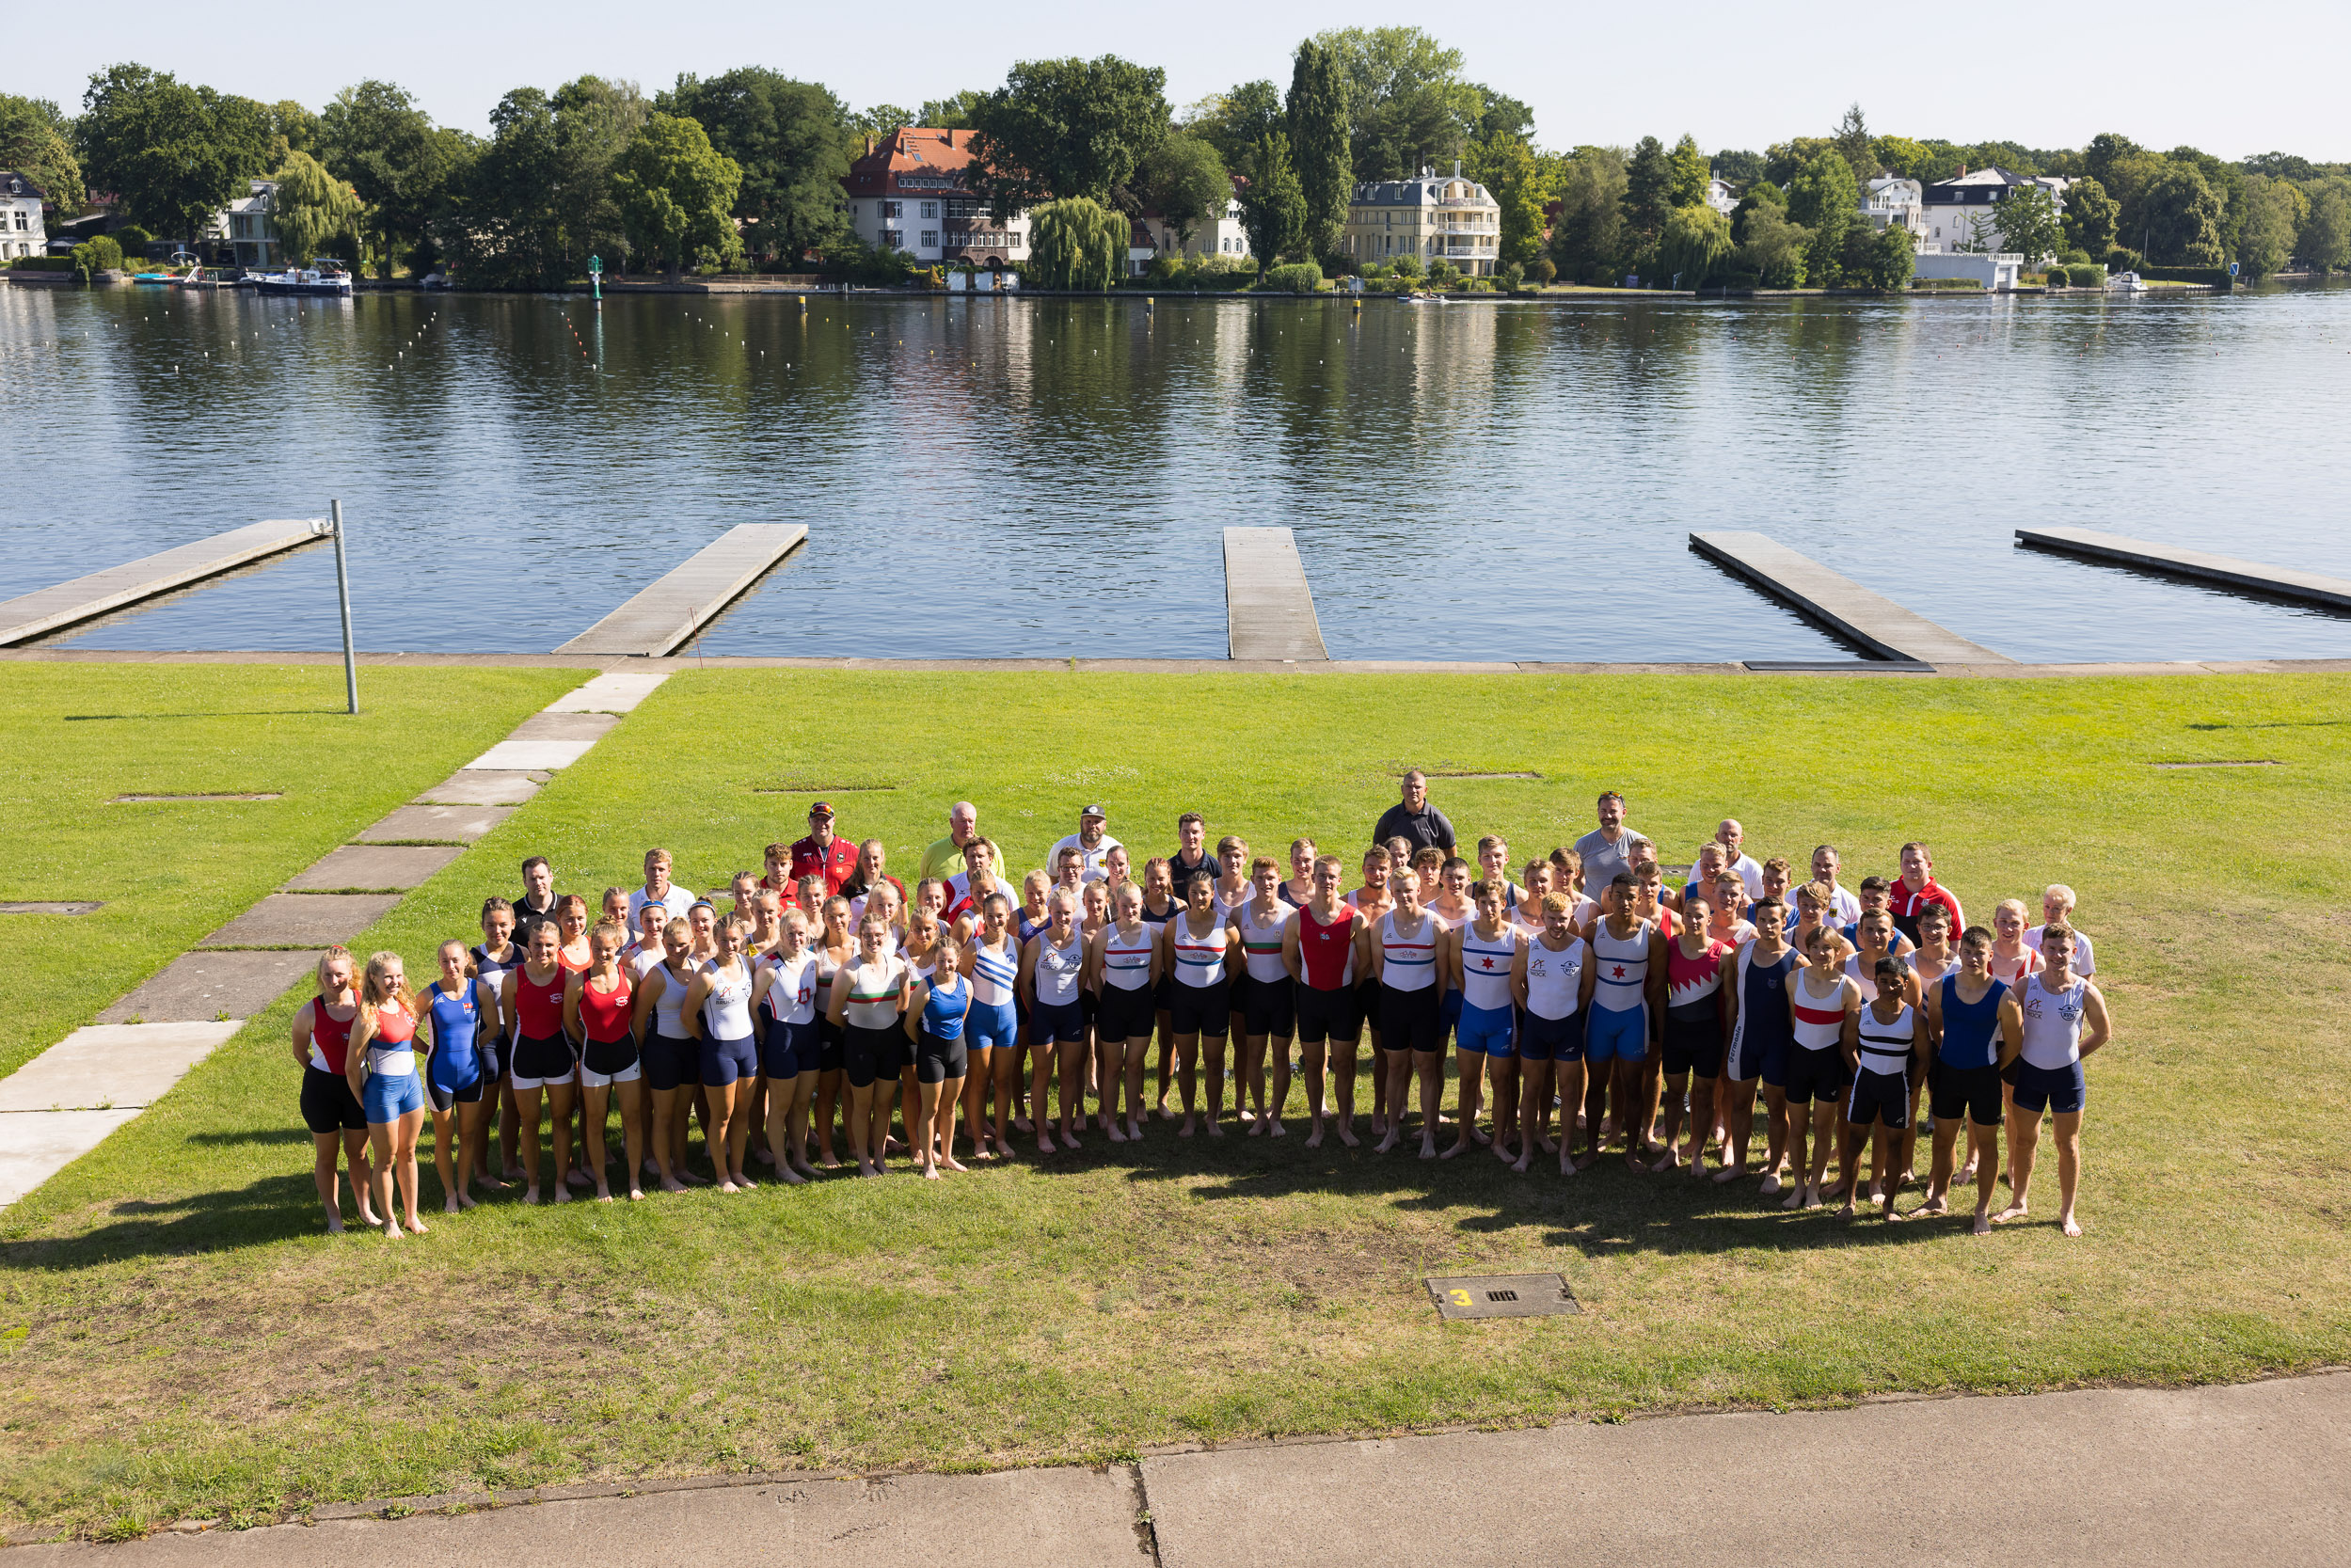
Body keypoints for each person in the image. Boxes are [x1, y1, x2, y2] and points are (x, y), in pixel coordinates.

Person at [1995, 926, 2109, 1237]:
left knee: (2067, 1143)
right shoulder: (2026, 985)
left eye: (2064, 950)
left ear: (2074, 953)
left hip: (2066, 1079)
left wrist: (2073, 1058)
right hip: (2029, 1074)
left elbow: (2103, 1033)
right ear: (2041, 950)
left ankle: (2067, 1211)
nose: (2057, 955)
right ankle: (2019, 1201)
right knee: (2023, 1139)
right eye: (2052, 949)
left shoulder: (2084, 991)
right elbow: (2002, 1020)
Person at [1917, 926, 2023, 1233]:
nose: (1973, 958)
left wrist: (1989, 1067)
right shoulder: (1940, 988)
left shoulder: (2004, 997)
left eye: (1980, 953)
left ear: (1990, 955)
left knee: (1987, 1145)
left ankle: (1981, 1210)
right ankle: (1938, 1198)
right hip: (1949, 1072)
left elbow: (2014, 1044)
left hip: (1984, 1078)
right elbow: (1935, 1028)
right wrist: (1950, 1053)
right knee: (1942, 1139)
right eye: (1967, 952)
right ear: (1959, 953)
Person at [291, 947, 377, 1234]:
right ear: (320, 975)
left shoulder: (365, 1004)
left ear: (351, 973)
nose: (334, 980)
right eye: (327, 974)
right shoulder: (308, 1013)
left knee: (359, 1154)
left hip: (357, 1088)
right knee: (327, 1157)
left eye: (339, 973)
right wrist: (322, 1079)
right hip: (321, 1090)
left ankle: (365, 1210)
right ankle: (334, 1216)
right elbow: (301, 1053)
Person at [1718, 896, 1799, 1192]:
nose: (1767, 926)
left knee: (1777, 1109)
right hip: (1744, 1039)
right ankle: (1739, 1165)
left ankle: (1775, 1169)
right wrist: (1728, 1039)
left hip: (1778, 1044)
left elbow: (1796, 1016)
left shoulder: (1795, 961)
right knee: (1740, 1104)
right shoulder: (1742, 951)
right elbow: (1734, 1000)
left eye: (1773, 920)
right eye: (1762, 920)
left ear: (1783, 922)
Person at [344, 951, 428, 1240]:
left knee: (409, 1152)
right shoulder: (368, 1017)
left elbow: (408, 1037)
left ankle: (411, 1216)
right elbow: (351, 1066)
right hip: (382, 1093)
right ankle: (390, 1219)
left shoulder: (404, 1004)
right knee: (387, 1158)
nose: (394, 981)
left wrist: (431, 1051)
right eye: (387, 977)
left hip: (411, 1087)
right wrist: (362, 1099)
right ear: (373, 978)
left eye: (398, 975)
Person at [1585, 873, 1664, 1171]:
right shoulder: (1594, 929)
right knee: (1596, 1086)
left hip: (1633, 1017)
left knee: (1633, 1087)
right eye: (1619, 895)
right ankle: (1592, 1149)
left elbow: (1658, 984)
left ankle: (1631, 1152)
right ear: (1610, 896)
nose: (1625, 902)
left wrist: (1650, 1016)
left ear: (1640, 897)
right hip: (1599, 1017)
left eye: (1631, 896)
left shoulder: (1652, 935)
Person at [1284, 853, 1362, 1149]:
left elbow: (1364, 961)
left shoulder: (1354, 917)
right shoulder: (1298, 917)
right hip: (1310, 999)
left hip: (1342, 999)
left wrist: (1345, 987)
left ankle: (1344, 1124)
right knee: (1314, 1063)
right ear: (1313, 879)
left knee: (1343, 1063)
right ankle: (1316, 1125)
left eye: (1332, 876)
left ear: (1340, 880)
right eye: (1321, 876)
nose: (1326, 881)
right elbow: (1288, 958)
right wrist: (1305, 982)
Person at [564, 920, 643, 1203]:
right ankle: (601, 1183)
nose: (602, 954)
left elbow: (638, 1015)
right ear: (591, 947)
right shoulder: (578, 982)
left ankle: (634, 1180)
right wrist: (587, 1039)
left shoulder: (631, 977)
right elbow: (569, 1021)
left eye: (607, 949)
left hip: (626, 1055)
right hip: (594, 1058)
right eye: (596, 948)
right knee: (595, 1122)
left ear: (617, 947)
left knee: (632, 1120)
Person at [1368, 868, 1445, 1159]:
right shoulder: (1380, 925)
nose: (1403, 896)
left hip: (1424, 1002)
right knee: (1395, 1067)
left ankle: (1428, 1134)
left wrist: (1429, 1002)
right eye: (1397, 890)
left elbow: (1442, 971)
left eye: (1408, 890)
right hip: (1393, 1003)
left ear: (1419, 891)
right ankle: (1392, 1132)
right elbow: (1379, 968)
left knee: (1426, 1067)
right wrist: (1393, 993)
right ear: (1391, 891)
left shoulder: (1435, 925)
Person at [1511, 892, 1590, 1175]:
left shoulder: (1581, 949)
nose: (1557, 925)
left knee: (1568, 1093)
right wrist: (1530, 1009)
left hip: (1567, 1027)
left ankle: (1565, 1154)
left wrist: (1569, 1012)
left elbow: (1586, 990)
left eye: (1563, 919)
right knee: (1531, 1089)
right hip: (1535, 1026)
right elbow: (1516, 983)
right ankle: (1526, 1151)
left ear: (1571, 918)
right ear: (1542, 917)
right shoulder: (1529, 946)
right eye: (1552, 919)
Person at [1839, 956, 1923, 1222]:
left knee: (1895, 1146)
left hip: (1897, 1089)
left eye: (1895, 983)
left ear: (1906, 984)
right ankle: (1850, 1202)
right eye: (1883, 982)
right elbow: (1847, 1048)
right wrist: (1860, 1073)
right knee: (1855, 1142)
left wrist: (1912, 1086)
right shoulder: (1859, 1015)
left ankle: (1889, 1206)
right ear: (1875, 983)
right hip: (1866, 1086)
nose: (1888, 987)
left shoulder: (1914, 1019)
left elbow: (1924, 1058)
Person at [828, 911, 909, 1177]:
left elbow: (903, 1004)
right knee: (862, 1105)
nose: (873, 940)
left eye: (878, 935)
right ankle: (863, 1160)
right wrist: (856, 1030)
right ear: (859, 936)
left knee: (884, 1104)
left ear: (886, 936)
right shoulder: (850, 971)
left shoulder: (898, 967)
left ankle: (879, 1158)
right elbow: (833, 1014)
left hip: (890, 1041)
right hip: (860, 1043)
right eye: (867, 935)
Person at [501, 920, 578, 1205]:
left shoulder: (569, 977)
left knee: (561, 1120)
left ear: (558, 946)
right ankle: (533, 1185)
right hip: (526, 1055)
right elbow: (510, 1025)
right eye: (537, 944)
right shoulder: (513, 979)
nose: (542, 950)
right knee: (530, 1122)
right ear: (529, 946)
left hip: (558, 1054)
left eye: (548, 945)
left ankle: (560, 1183)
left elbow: (571, 1021)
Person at [1782, 925, 1858, 1211]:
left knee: (1823, 1128)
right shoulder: (1793, 980)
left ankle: (1814, 1187)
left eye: (1826, 948)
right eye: (1814, 947)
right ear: (1807, 949)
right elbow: (1794, 1021)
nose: (1820, 953)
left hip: (1829, 1064)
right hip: (1800, 1061)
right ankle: (1798, 1187)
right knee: (1797, 1128)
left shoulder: (1848, 988)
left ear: (1836, 951)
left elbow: (1849, 1036)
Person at [681, 916, 759, 1193]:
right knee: (722, 1115)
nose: (729, 944)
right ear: (715, 940)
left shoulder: (748, 963)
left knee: (742, 1113)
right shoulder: (707, 975)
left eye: (734, 939)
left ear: (742, 939)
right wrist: (709, 1041)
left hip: (747, 1048)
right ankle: (722, 1175)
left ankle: (737, 1171)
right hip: (720, 1051)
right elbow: (688, 1017)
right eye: (723, 939)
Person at [1656, 894, 1731, 1176]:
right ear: (1682, 917)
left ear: (1709, 919)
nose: (1694, 920)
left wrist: (1728, 1037)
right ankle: (1671, 1151)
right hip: (1676, 1033)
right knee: (1674, 1093)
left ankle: (1697, 1151)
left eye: (1700, 916)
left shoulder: (1723, 954)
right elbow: (1660, 993)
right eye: (1689, 915)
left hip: (1708, 1036)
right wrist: (1663, 1032)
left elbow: (1731, 1001)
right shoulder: (1670, 947)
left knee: (1703, 1093)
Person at [1445, 878, 1520, 1162]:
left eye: (1494, 903)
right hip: (1472, 1019)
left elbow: (1520, 980)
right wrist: (1475, 998)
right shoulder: (1462, 934)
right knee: (1466, 1082)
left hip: (1502, 1020)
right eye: (1483, 903)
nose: (1489, 908)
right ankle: (1463, 1139)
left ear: (1504, 904)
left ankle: (1498, 1142)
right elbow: (1458, 975)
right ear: (1476, 904)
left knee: (1501, 1083)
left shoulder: (1517, 937)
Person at [421, 939, 497, 1212]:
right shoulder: (429, 996)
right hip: (439, 1075)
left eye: (455, 960)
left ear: (466, 960)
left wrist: (476, 1047)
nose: (450, 966)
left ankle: (463, 1191)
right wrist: (429, 1050)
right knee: (444, 1138)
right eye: (444, 961)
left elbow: (494, 1026)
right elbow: (407, 1032)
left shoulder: (480, 992)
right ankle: (449, 1193)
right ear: (439, 963)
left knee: (467, 1135)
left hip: (471, 1073)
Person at [631, 917, 705, 1194]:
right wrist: (641, 1056)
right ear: (663, 944)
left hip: (689, 1050)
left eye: (682, 945)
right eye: (671, 945)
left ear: (692, 943)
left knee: (682, 1113)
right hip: (662, 1050)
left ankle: (682, 1167)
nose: (676, 951)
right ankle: (665, 1175)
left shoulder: (698, 968)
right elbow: (639, 1022)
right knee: (662, 1115)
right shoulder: (656, 976)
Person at [752, 908, 820, 1185]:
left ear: (808, 934)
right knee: (780, 1107)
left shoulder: (814, 960)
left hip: (810, 1038)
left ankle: (800, 1158)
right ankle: (781, 1165)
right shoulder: (769, 966)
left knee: (802, 1104)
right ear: (781, 934)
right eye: (790, 933)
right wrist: (764, 1035)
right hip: (782, 1039)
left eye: (800, 933)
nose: (796, 938)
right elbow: (753, 1006)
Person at [1164, 869, 1234, 1137]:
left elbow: (1236, 965)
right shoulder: (1175, 925)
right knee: (1188, 1061)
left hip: (1215, 999)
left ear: (1212, 894)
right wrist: (1184, 984)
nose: (1199, 897)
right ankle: (1190, 1118)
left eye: (1204, 892)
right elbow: (1169, 964)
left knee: (1215, 1062)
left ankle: (1212, 1118)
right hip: (1184, 999)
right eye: (1194, 893)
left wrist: (1216, 988)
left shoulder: (1226, 926)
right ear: (1188, 895)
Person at [1232, 857, 1297, 1138]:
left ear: (1279, 879)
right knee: (1254, 1055)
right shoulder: (1239, 914)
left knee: (1281, 1056)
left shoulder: (1291, 914)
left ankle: (1277, 1116)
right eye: (1260, 878)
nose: (1266, 883)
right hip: (1254, 994)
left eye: (1271, 878)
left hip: (1283, 993)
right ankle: (1260, 1114)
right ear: (1253, 879)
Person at [1091, 880, 1160, 1143]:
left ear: (1141, 905)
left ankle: (1131, 1122)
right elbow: (1094, 975)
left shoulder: (1151, 934)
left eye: (1134, 906)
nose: (1129, 910)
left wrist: (1141, 996)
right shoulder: (1105, 935)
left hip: (1141, 1006)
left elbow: (1157, 972)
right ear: (1115, 906)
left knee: (1133, 1066)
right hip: (1112, 1006)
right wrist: (1107, 999)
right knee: (1112, 1068)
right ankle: (1111, 1124)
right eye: (1124, 906)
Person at [1021, 888, 1088, 1152]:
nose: (1062, 917)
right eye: (1057, 912)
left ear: (1074, 913)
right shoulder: (1037, 943)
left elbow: (1082, 982)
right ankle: (1042, 1134)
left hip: (1071, 1013)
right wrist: (1035, 1009)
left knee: (1069, 1074)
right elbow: (1025, 983)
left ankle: (1065, 1130)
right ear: (1050, 912)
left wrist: (1069, 1000)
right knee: (1042, 1075)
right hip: (1043, 1015)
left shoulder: (1082, 943)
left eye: (1067, 913)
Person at [961, 893, 1024, 1160]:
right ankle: (978, 1140)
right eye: (990, 916)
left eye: (1001, 915)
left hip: (1008, 1018)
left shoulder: (1017, 944)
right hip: (979, 1021)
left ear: (1007, 915)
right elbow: (961, 988)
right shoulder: (973, 948)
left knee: (1002, 1081)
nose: (996, 921)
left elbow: (1016, 985)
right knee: (979, 1081)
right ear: (983, 918)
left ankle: (1000, 1137)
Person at [905, 933, 973, 1178]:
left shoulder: (967, 985)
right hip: (931, 1053)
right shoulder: (925, 987)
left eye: (950, 961)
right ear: (935, 960)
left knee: (950, 1107)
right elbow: (910, 1025)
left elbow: (962, 1017)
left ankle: (946, 1157)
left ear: (958, 960)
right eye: (941, 961)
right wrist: (926, 1046)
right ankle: (928, 1163)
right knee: (930, 1109)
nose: (946, 965)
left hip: (958, 1050)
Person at [469, 899, 525, 1185]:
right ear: (482, 925)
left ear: (513, 924)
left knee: (513, 1106)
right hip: (488, 1039)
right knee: (485, 1111)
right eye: (490, 925)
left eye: (503, 924)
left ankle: (509, 1165)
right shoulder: (472, 959)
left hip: (517, 1037)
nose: (497, 930)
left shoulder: (525, 954)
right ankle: (480, 1172)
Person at [808, 896, 855, 1169]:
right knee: (827, 1092)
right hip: (825, 1027)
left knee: (851, 1091)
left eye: (841, 915)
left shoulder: (862, 945)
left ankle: (853, 1144)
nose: (837, 921)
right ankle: (826, 1150)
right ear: (823, 918)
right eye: (831, 917)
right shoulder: (815, 952)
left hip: (857, 1027)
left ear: (850, 915)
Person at [1139, 857, 1183, 1119]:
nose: (1156, 883)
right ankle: (1139, 1100)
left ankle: (1162, 1100)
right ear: (1144, 878)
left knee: (1168, 1041)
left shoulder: (1180, 908)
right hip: (1139, 982)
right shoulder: (1135, 906)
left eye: (1161, 878)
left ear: (1169, 879)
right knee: (1139, 1044)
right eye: (1151, 878)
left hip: (1168, 981)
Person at [1887, 841, 1964, 946]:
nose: (1911, 866)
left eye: (1916, 861)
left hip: (1928, 962)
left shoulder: (1944, 898)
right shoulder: (1886, 891)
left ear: (1929, 865)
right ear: (1900, 864)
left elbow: (1957, 940)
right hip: (1888, 961)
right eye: (1907, 861)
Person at [1373, 769, 1456, 854]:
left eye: (1417, 787)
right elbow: (1378, 852)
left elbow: (1450, 853)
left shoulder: (1438, 819)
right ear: (1402, 789)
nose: (1413, 790)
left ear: (1425, 790)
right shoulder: (1388, 818)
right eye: (1408, 786)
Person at [1574, 792, 1638, 902]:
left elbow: (1648, 877)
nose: (1608, 816)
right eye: (1603, 811)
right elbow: (1576, 876)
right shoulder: (1584, 844)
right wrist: (1590, 898)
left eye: (1613, 811)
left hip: (1627, 910)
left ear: (1623, 813)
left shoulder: (1637, 843)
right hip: (1594, 913)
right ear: (1598, 812)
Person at [788, 800, 858, 896]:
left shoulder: (851, 851)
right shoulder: (796, 851)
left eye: (825, 819)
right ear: (809, 821)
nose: (821, 824)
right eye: (816, 819)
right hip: (807, 909)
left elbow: (866, 881)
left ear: (833, 821)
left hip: (839, 910)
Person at [2023, 884, 2095, 975]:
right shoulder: (2030, 936)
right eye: (2047, 906)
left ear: (2068, 910)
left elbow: (2086, 981)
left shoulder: (2082, 942)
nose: (2050, 912)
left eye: (2056, 908)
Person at [1048, 804, 1121, 883]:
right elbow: (1052, 878)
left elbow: (1123, 878)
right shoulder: (1060, 847)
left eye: (1097, 822)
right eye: (1088, 821)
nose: (1092, 826)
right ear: (1081, 823)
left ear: (1105, 825)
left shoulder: (1116, 849)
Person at [626, 847, 695, 929]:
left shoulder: (685, 897)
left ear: (669, 871)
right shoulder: (631, 902)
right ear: (645, 869)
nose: (656, 874)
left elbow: (694, 933)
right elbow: (628, 937)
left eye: (661, 869)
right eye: (652, 869)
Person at [838, 838, 906, 913]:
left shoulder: (894, 884)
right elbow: (839, 914)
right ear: (860, 859)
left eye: (875, 858)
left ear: (882, 857)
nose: (871, 862)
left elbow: (903, 920)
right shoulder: (848, 886)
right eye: (866, 858)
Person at [920, 800, 980, 885]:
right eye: (963, 821)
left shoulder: (990, 850)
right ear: (952, 822)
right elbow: (924, 890)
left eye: (971, 821)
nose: (967, 826)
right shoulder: (933, 852)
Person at [1987, 899, 2044, 987]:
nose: (2008, 928)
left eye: (2015, 923)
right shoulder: (1980, 955)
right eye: (2003, 921)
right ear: (1995, 923)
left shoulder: (2037, 964)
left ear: (2025, 927)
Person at [513, 855, 563, 947]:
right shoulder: (513, 913)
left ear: (551, 877)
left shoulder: (566, 906)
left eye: (541, 877)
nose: (538, 883)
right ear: (525, 881)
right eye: (532, 879)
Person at [1807, 846, 1862, 926]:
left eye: (1827, 866)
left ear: (1838, 868)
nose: (1822, 870)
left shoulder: (1850, 903)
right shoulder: (1793, 896)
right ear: (1811, 866)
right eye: (1817, 865)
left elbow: (1858, 935)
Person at [1713, 819, 1765, 900]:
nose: (1729, 838)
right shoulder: (1703, 865)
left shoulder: (1753, 870)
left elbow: (1758, 905)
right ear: (1717, 837)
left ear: (1741, 839)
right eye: (1724, 834)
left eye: (1733, 835)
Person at [1280, 838, 1318, 907]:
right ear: (1291, 861)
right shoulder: (1278, 892)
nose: (1302, 865)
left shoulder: (1325, 893)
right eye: (1297, 860)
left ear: (1315, 861)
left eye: (1307, 860)